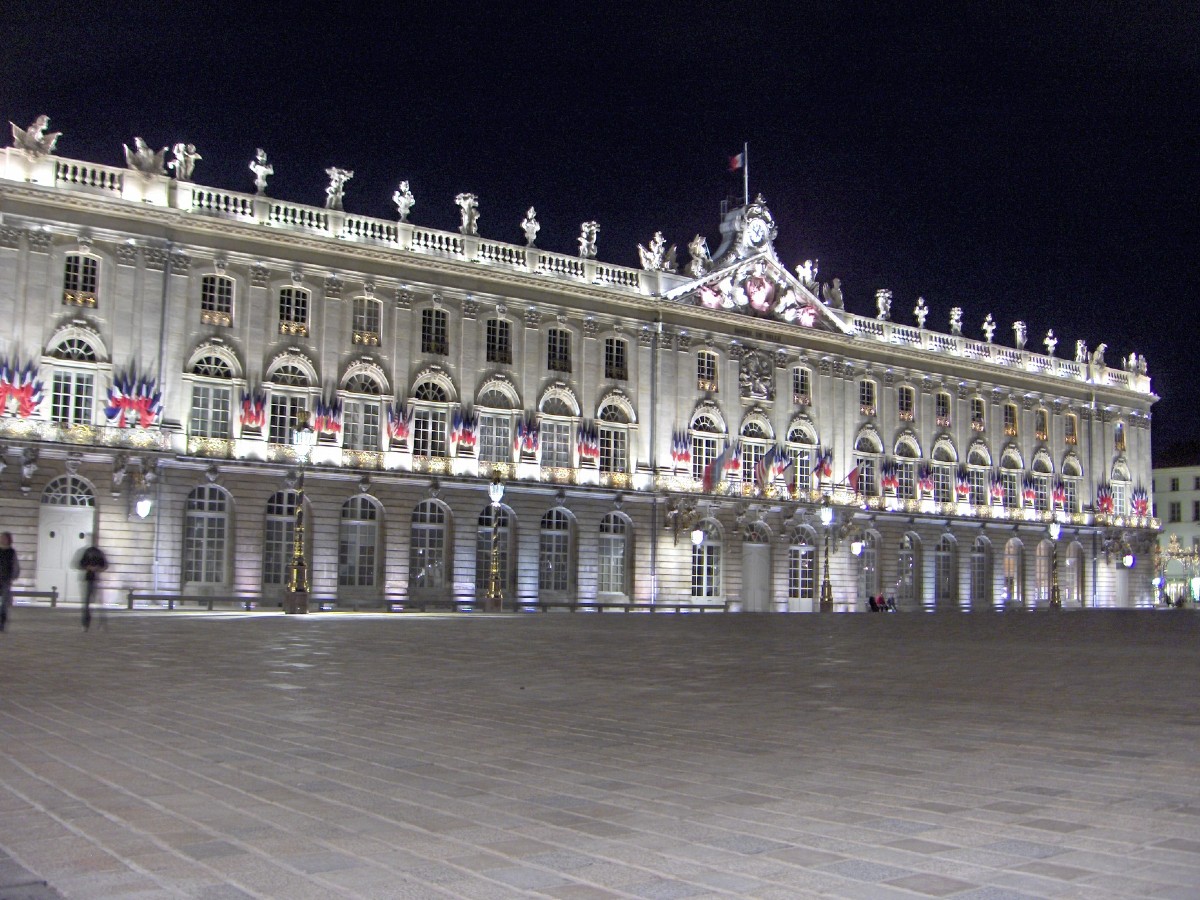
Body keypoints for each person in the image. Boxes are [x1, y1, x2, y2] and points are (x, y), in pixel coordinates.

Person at [78, 544, 108, 631]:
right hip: (90, 579)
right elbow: (81, 564)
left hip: (95, 579)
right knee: (88, 603)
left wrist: (96, 568)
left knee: (97, 603)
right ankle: (86, 625)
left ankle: (99, 624)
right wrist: (88, 567)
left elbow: (104, 565)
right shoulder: (89, 552)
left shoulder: (97, 552)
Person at [0, 532, 18, 631]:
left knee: (4, 603)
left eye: (4, 538)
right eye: (1, 538)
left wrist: (13, 576)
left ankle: (2, 622)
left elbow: (15, 565)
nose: (2, 539)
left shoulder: (11, 552)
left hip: (5, 580)